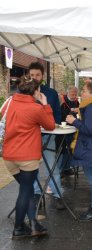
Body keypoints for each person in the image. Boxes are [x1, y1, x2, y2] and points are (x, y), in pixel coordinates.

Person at [1, 79, 55, 238]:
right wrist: (45, 104)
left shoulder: (9, 102)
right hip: (27, 157)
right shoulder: (36, 108)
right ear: (35, 92)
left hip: (9, 156)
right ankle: (18, 228)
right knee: (25, 191)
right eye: (39, 91)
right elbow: (50, 125)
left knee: (28, 189)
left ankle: (34, 224)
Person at [66, 82, 92, 221]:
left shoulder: (91, 108)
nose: (81, 93)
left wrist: (74, 121)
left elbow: (89, 130)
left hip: (89, 148)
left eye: (83, 91)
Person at [28, 62, 64, 210]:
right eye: (31, 75)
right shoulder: (24, 92)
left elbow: (57, 115)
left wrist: (51, 123)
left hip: (48, 134)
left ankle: (57, 195)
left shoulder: (51, 93)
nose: (34, 77)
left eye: (37, 74)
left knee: (51, 166)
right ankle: (36, 194)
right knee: (32, 167)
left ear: (43, 76)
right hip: (31, 136)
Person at [58, 86, 79, 176]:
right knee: (63, 149)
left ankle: (67, 168)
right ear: (67, 93)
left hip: (72, 128)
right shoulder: (62, 101)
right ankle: (60, 170)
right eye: (72, 94)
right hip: (62, 128)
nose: (74, 96)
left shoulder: (76, 102)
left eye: (75, 94)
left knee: (70, 148)